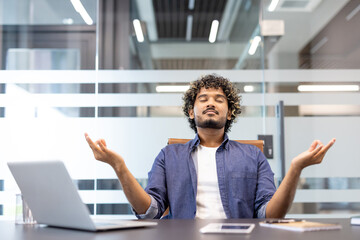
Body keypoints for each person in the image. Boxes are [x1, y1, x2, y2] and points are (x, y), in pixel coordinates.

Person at [85, 74, 335, 219]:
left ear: (230, 113)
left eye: (219, 99)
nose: (211, 103)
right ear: (191, 113)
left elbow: (270, 216)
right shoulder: (169, 155)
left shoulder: (253, 156)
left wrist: (295, 168)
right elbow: (150, 212)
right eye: (202, 99)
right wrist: (118, 166)